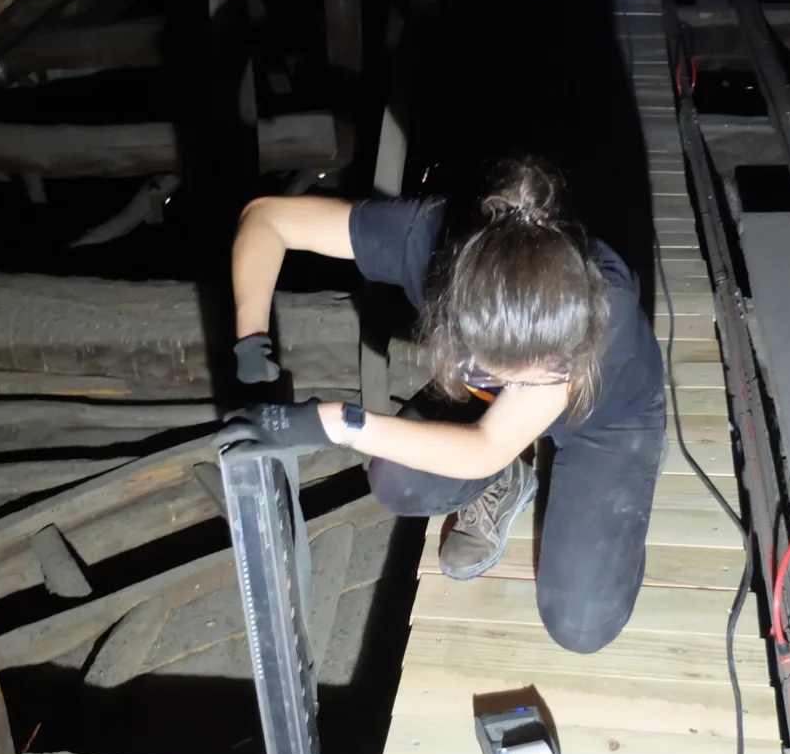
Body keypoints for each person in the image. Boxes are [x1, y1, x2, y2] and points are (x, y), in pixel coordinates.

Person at [224, 158, 666, 654]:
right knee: (398, 479)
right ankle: (509, 480)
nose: (521, 384)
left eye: (541, 371)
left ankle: (585, 494)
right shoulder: (426, 239)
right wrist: (250, 341)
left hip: (605, 422)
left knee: (581, 626)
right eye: (505, 368)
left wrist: (334, 421)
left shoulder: (606, 305)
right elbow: (267, 218)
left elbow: (485, 444)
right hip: (482, 410)